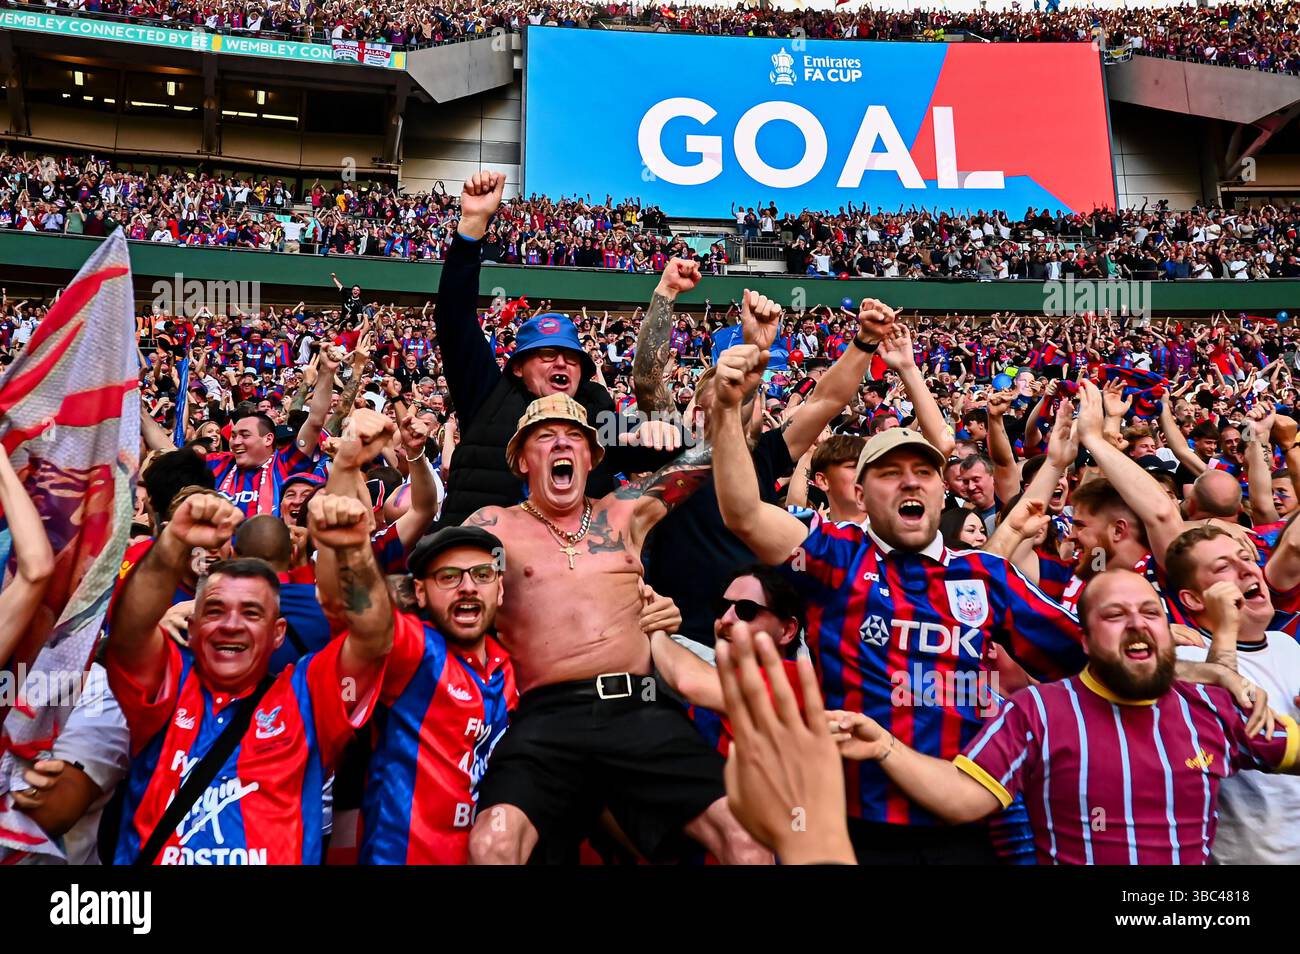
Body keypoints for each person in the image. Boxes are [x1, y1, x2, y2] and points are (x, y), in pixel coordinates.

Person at [710, 328, 1089, 863]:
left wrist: (1201, 662)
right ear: (861, 495)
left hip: (964, 824)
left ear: (943, 490)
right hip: (852, 826)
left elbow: (1083, 658)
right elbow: (744, 513)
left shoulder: (985, 575)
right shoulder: (835, 554)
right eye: (890, 474)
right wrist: (726, 411)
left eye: (923, 473)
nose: (910, 484)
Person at [464, 390, 768, 865]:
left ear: (590, 456)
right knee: (492, 844)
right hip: (546, 716)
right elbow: (435, 590)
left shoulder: (623, 512)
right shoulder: (494, 527)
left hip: (638, 708)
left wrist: (731, 402)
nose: (562, 446)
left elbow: (706, 458)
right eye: (545, 438)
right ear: (523, 460)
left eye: (574, 438)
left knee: (746, 838)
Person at [829, 568, 1298, 865]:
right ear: (1086, 643)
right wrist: (884, 747)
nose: (1137, 623)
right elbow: (963, 797)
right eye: (1114, 615)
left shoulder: (1213, 706)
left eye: (1150, 613)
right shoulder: (1038, 711)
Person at [104, 491, 394, 865]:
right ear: (191, 627)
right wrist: (172, 541)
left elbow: (373, 638)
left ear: (278, 633)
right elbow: (130, 633)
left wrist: (355, 553)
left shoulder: (307, 697)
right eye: (215, 610)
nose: (231, 625)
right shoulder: (164, 686)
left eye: (252, 613)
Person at [432, 171, 676, 526]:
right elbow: (453, 318)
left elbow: (686, 456)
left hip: (569, 572)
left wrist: (667, 432)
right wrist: (472, 227)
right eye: (547, 355)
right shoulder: (487, 395)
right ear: (518, 367)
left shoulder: (597, 411)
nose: (561, 363)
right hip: (480, 567)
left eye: (571, 358)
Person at [313, 504, 516, 864]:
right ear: (420, 594)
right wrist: (353, 550)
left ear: (500, 590)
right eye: (449, 577)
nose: (468, 587)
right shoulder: (415, 649)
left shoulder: (510, 664)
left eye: (483, 574)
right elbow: (366, 616)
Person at [1167, 524, 1300, 864]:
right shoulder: (1188, 660)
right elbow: (1223, 721)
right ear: (1194, 599)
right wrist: (1225, 627)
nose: (1246, 569)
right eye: (1223, 567)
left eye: (1246, 557)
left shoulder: (1288, 646)